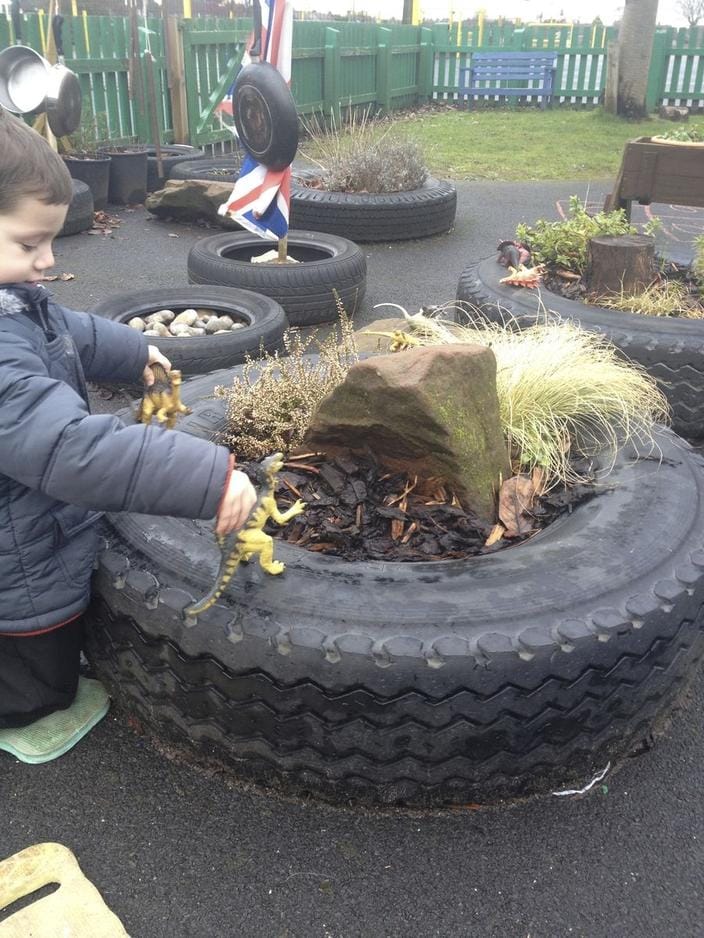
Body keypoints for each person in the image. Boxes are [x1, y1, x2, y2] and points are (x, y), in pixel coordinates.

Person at [0, 107, 257, 747]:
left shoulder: (12, 301)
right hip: (15, 560)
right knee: (38, 687)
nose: (48, 260)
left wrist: (134, 349)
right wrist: (211, 477)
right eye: (29, 244)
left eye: (51, 241)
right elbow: (67, 449)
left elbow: (67, 331)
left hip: (27, 526)